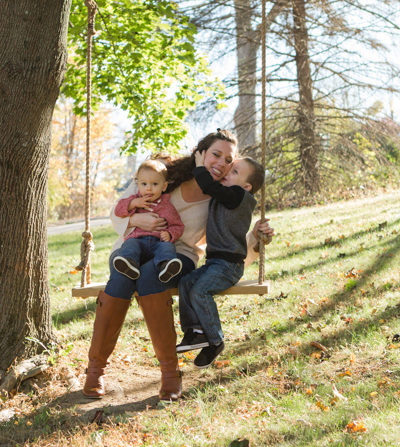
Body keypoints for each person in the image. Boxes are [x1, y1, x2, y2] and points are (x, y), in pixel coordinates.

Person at [82, 129, 273, 402]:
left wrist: (256, 237)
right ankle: (95, 371)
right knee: (121, 280)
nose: (220, 163)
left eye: (228, 160)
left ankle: (170, 374)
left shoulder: (219, 196)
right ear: (201, 153)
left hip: (179, 257)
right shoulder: (162, 175)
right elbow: (118, 212)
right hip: (133, 248)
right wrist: (137, 221)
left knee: (151, 277)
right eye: (215, 154)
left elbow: (230, 246)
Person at [176, 152, 265, 368]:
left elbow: (210, 187)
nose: (228, 172)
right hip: (214, 263)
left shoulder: (238, 196)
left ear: (246, 187)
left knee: (200, 290)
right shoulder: (227, 195)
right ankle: (195, 331)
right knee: (185, 282)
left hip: (229, 266)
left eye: (234, 171)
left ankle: (215, 340)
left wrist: (199, 167)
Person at [109, 159, 184, 284]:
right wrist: (133, 204)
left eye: (154, 184)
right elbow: (118, 210)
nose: (149, 188)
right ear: (138, 185)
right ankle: (128, 264)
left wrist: (170, 234)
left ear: (164, 186)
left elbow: (178, 226)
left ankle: (166, 266)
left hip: (157, 242)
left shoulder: (167, 207)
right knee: (130, 245)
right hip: (137, 240)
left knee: (167, 247)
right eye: (144, 184)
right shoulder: (135, 200)